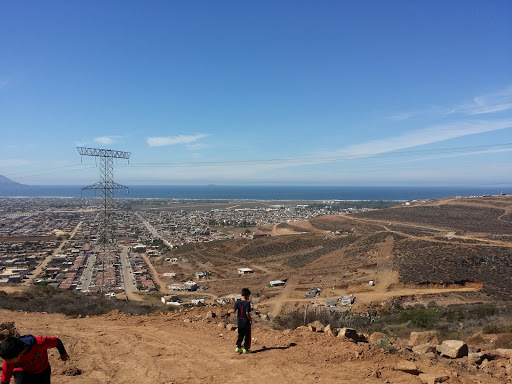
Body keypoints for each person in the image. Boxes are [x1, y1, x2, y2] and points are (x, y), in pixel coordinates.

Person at [0, 335, 69, 384]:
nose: (7, 362)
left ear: (20, 354)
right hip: (22, 372)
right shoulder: (9, 358)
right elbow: (5, 379)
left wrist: (63, 353)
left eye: (9, 360)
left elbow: (56, 341)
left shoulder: (40, 343)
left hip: (42, 369)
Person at [227, 288, 253, 354]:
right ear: (247, 295)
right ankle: (245, 349)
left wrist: (228, 312)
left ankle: (238, 347)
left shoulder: (237, 302)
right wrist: (250, 320)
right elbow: (247, 313)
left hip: (240, 322)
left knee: (240, 335)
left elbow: (233, 310)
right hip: (246, 322)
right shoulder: (247, 303)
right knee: (247, 336)